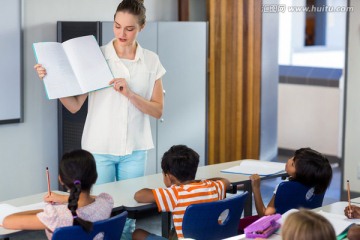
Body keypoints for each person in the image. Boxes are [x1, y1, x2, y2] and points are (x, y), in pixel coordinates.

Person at [34, 0, 165, 185]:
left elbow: (158, 110)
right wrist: (51, 79)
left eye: (129, 28)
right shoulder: (97, 56)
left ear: (141, 27)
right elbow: (74, 106)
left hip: (136, 149)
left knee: (131, 208)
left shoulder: (151, 60)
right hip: (99, 147)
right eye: (117, 26)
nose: (121, 33)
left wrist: (130, 94)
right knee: (101, 209)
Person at [2, 149, 114, 240]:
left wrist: (44, 210)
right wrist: (65, 199)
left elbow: (7, 221)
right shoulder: (106, 202)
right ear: (95, 177)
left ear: (61, 179)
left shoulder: (56, 216)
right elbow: (93, 198)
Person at [132, 145, 231, 240]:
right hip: (214, 237)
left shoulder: (174, 194)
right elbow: (226, 181)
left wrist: (169, 185)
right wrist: (201, 181)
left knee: (137, 234)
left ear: (169, 177)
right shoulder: (214, 187)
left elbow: (139, 195)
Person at [251, 147, 332, 217]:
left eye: (293, 164)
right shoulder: (319, 185)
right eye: (293, 157)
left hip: (282, 230)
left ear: (301, 174)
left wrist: (256, 188)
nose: (289, 160)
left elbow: (265, 215)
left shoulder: (284, 187)